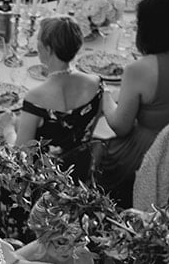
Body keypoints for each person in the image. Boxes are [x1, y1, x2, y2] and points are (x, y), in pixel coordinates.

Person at [95, 0, 169, 207]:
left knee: (94, 147)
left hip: (149, 155)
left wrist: (105, 96)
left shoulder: (139, 69)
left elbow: (121, 127)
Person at [13, 16, 104, 179]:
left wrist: (7, 128)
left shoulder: (36, 97)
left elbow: (21, 161)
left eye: (39, 39)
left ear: (48, 49)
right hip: (81, 174)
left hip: (45, 185)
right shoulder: (95, 83)